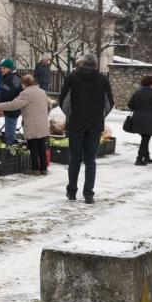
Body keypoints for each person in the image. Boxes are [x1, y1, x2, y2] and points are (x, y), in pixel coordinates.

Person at [58, 54, 114, 204]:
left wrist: (71, 115)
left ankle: (71, 191)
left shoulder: (72, 77)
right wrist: (99, 116)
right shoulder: (103, 79)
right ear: (95, 64)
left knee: (74, 159)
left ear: (82, 63)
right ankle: (88, 194)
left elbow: (63, 101)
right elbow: (109, 103)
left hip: (76, 123)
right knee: (91, 160)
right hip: (95, 125)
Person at [0, 75, 51, 175]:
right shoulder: (42, 92)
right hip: (43, 123)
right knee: (42, 146)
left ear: (24, 84)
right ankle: (44, 169)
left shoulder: (26, 93)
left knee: (33, 146)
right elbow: (49, 105)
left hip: (32, 124)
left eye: (22, 83)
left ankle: (35, 169)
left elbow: (13, 105)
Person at [127, 75, 152, 166]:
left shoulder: (137, 93)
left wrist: (138, 108)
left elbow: (130, 105)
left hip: (137, 119)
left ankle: (147, 157)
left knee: (145, 138)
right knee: (145, 139)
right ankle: (139, 159)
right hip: (149, 120)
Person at [0, 59, 22, 144]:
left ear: (10, 68)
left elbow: (12, 93)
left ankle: (11, 151)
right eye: (1, 68)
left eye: (4, 68)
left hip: (12, 109)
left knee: (10, 133)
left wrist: (0, 102)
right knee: (9, 132)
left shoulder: (14, 78)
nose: (2, 70)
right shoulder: (7, 77)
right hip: (8, 108)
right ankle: (10, 148)